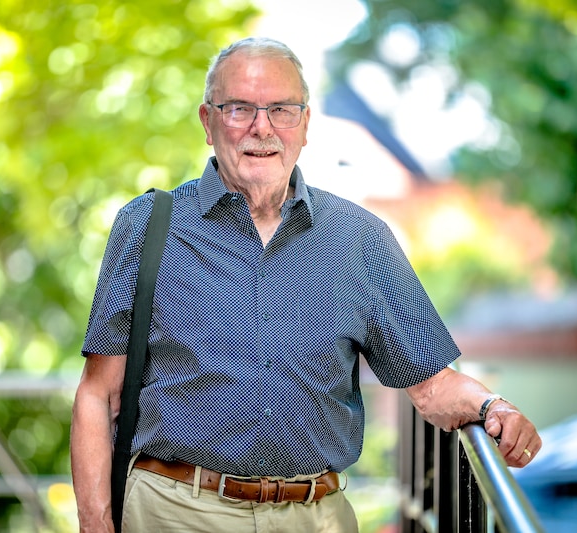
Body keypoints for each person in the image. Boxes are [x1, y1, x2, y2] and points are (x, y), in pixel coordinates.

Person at [70, 37, 541, 533]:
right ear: (208, 122)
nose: (262, 128)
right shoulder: (148, 225)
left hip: (316, 517)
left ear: (306, 125)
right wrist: (96, 525)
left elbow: (433, 385)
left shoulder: (360, 239)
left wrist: (493, 408)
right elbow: (98, 395)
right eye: (239, 108)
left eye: (282, 109)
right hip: (177, 513)